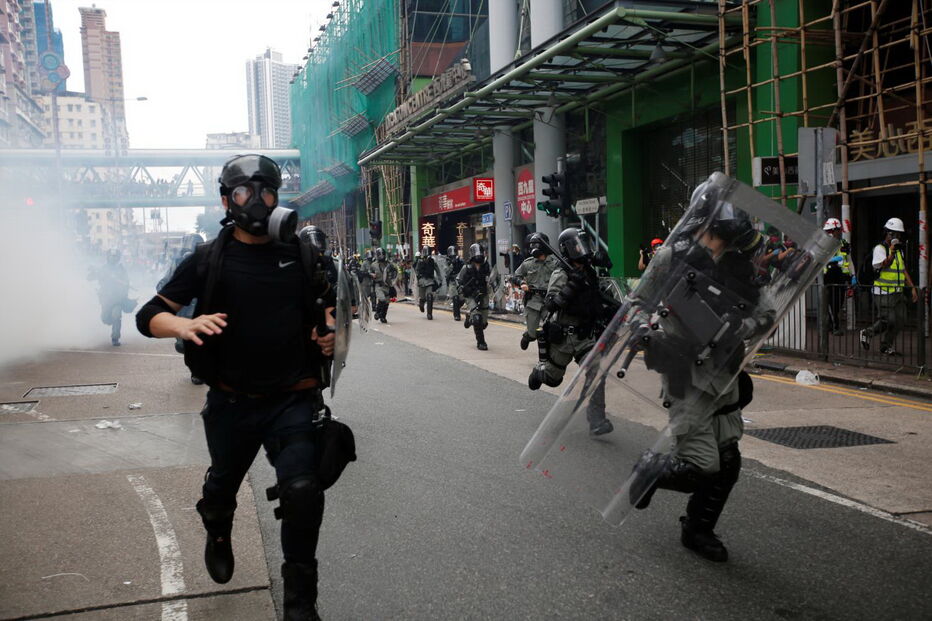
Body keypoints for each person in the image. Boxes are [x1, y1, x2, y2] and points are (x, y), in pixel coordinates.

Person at [135, 154, 339, 620]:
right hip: (231, 400)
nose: (258, 202)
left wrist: (329, 335)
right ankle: (218, 526)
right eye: (246, 192)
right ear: (227, 200)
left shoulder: (304, 256)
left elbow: (331, 315)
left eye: (267, 191)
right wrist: (184, 327)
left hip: (292, 398)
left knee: (303, 491)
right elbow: (149, 315)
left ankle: (300, 604)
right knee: (222, 488)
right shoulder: (209, 258)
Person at [626, 186, 774, 563]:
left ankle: (698, 529)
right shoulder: (670, 257)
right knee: (698, 464)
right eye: (723, 237)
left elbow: (767, 312)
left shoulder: (740, 263)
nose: (726, 246)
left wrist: (744, 325)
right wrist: (641, 327)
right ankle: (650, 468)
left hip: (726, 372)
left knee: (727, 463)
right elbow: (638, 303)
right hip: (684, 372)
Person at [527, 228, 617, 436]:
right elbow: (550, 305)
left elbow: (596, 297)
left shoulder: (589, 270)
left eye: (582, 243)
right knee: (553, 378)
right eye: (576, 245)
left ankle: (596, 419)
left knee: (596, 371)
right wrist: (571, 286)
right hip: (565, 338)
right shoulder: (561, 273)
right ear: (568, 249)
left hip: (585, 336)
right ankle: (539, 373)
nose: (581, 248)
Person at [860, 217, 918, 355]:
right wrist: (891, 252)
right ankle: (867, 333)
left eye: (898, 234)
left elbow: (903, 271)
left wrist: (912, 288)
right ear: (887, 233)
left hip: (897, 292)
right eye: (893, 234)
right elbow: (884, 265)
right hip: (883, 292)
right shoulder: (880, 249)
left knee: (900, 319)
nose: (896, 237)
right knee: (889, 319)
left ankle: (886, 346)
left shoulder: (899, 251)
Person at [512, 232, 560, 351]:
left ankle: (547, 359)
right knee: (533, 333)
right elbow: (514, 276)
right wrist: (522, 283)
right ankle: (528, 336)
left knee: (552, 329)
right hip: (533, 301)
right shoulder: (528, 263)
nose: (533, 249)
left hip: (549, 302)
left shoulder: (556, 264)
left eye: (536, 245)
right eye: (531, 246)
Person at [88, 248, 133, 346]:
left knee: (117, 316)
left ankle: (115, 337)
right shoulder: (103, 269)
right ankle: (111, 320)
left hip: (118, 298)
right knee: (105, 319)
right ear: (108, 257)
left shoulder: (121, 269)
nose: (113, 258)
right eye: (112, 256)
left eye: (115, 256)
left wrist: (123, 290)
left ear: (118, 257)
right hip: (106, 298)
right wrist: (93, 272)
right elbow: (90, 278)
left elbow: (127, 282)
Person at [822, 218, 853, 336]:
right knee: (830, 303)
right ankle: (835, 326)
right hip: (827, 277)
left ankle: (831, 324)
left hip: (840, 276)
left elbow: (849, 260)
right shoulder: (823, 244)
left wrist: (852, 275)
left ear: (837, 231)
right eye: (828, 231)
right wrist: (831, 260)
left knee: (838, 303)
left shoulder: (843, 244)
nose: (829, 233)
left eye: (831, 231)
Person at [457, 243, 491, 350]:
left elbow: (492, 279)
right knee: (477, 318)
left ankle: (469, 318)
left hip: (483, 294)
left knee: (483, 324)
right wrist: (461, 289)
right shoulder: (466, 268)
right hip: (470, 295)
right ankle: (481, 342)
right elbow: (458, 281)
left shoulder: (486, 266)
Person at [413, 245, 443, 319]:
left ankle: (429, 314)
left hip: (430, 281)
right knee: (422, 298)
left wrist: (440, 280)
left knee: (429, 296)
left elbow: (438, 270)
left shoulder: (432, 261)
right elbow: (416, 270)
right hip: (421, 282)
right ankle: (421, 304)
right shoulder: (420, 261)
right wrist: (418, 278)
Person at [370, 247, 397, 323]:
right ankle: (378, 312)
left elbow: (395, 272)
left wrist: (393, 282)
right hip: (379, 285)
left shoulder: (389, 264)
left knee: (387, 303)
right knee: (382, 299)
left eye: (382, 254)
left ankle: (383, 316)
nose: (381, 256)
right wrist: (371, 275)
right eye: (379, 255)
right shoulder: (373, 265)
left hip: (387, 285)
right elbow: (369, 272)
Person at [444, 245, 465, 321]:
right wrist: (452, 265)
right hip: (452, 282)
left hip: (460, 282)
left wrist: (459, 262)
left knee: (462, 299)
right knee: (455, 297)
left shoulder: (460, 260)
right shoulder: (447, 262)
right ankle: (457, 315)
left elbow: (464, 269)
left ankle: (456, 308)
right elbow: (446, 273)